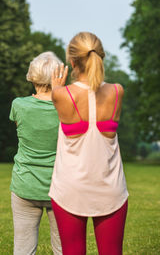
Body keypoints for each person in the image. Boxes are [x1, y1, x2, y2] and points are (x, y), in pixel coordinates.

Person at [49, 32, 128, 255]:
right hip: (110, 190)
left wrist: (56, 86)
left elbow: (56, 94)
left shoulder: (61, 95)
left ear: (72, 61)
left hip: (70, 190)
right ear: (100, 57)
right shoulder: (117, 91)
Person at [9, 52, 62, 255]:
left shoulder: (18, 105)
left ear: (32, 74)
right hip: (59, 186)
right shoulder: (66, 107)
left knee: (23, 249)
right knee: (62, 249)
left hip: (25, 185)